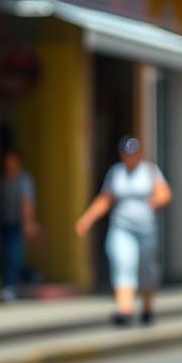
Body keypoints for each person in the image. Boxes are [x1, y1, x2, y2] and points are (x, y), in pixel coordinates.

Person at [75, 137, 172, 326]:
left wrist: (153, 201)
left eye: (134, 153)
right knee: (123, 263)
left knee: (146, 269)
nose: (130, 157)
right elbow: (106, 198)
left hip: (146, 230)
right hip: (122, 227)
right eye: (127, 154)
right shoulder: (116, 173)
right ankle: (125, 309)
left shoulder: (150, 171)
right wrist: (86, 219)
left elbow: (165, 194)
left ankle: (146, 307)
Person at [0, 148, 39, 302]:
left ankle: (10, 287)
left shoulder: (23, 180)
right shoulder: (1, 180)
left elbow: (27, 202)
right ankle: (30, 274)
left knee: (13, 254)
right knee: (7, 254)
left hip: (17, 223)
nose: (9, 164)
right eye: (6, 161)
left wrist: (28, 223)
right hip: (3, 223)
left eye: (11, 160)